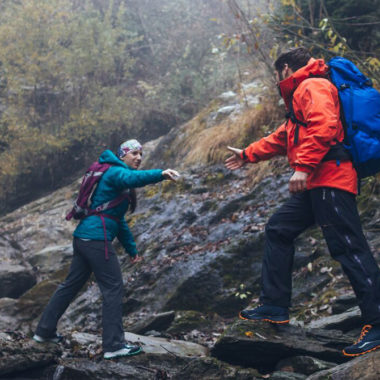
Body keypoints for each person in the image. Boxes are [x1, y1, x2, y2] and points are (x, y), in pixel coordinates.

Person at [225, 47, 380, 357]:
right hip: (318, 183)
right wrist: (246, 154)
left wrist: (303, 167)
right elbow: (284, 137)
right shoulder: (303, 92)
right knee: (279, 228)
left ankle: (377, 322)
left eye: (277, 73)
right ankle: (274, 305)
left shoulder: (312, 85)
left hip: (331, 179)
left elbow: (325, 126)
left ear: (285, 68)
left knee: (349, 247)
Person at [33, 139, 180, 359]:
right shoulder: (116, 173)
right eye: (134, 154)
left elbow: (117, 219)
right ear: (122, 155)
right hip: (95, 240)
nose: (138, 158)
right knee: (113, 288)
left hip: (84, 238)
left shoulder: (113, 174)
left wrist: (131, 249)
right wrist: (160, 174)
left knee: (70, 285)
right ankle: (113, 345)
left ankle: (44, 331)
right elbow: (134, 178)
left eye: (141, 154)